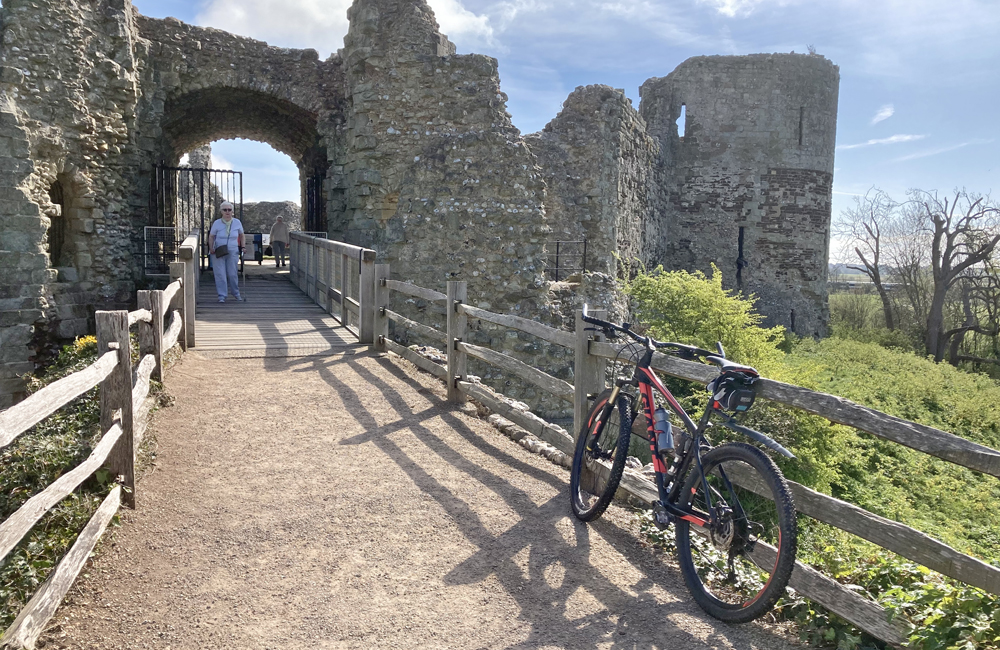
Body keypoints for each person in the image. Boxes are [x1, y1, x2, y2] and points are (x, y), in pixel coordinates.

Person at [208, 201, 244, 302]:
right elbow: (211, 236)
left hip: (232, 250)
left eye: (229, 210)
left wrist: (243, 246)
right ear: (221, 211)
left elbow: (241, 235)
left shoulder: (237, 222)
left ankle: (236, 293)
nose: (227, 212)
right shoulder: (217, 223)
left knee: (232, 273)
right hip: (219, 250)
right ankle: (222, 295)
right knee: (220, 274)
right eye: (225, 210)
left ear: (232, 211)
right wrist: (211, 247)